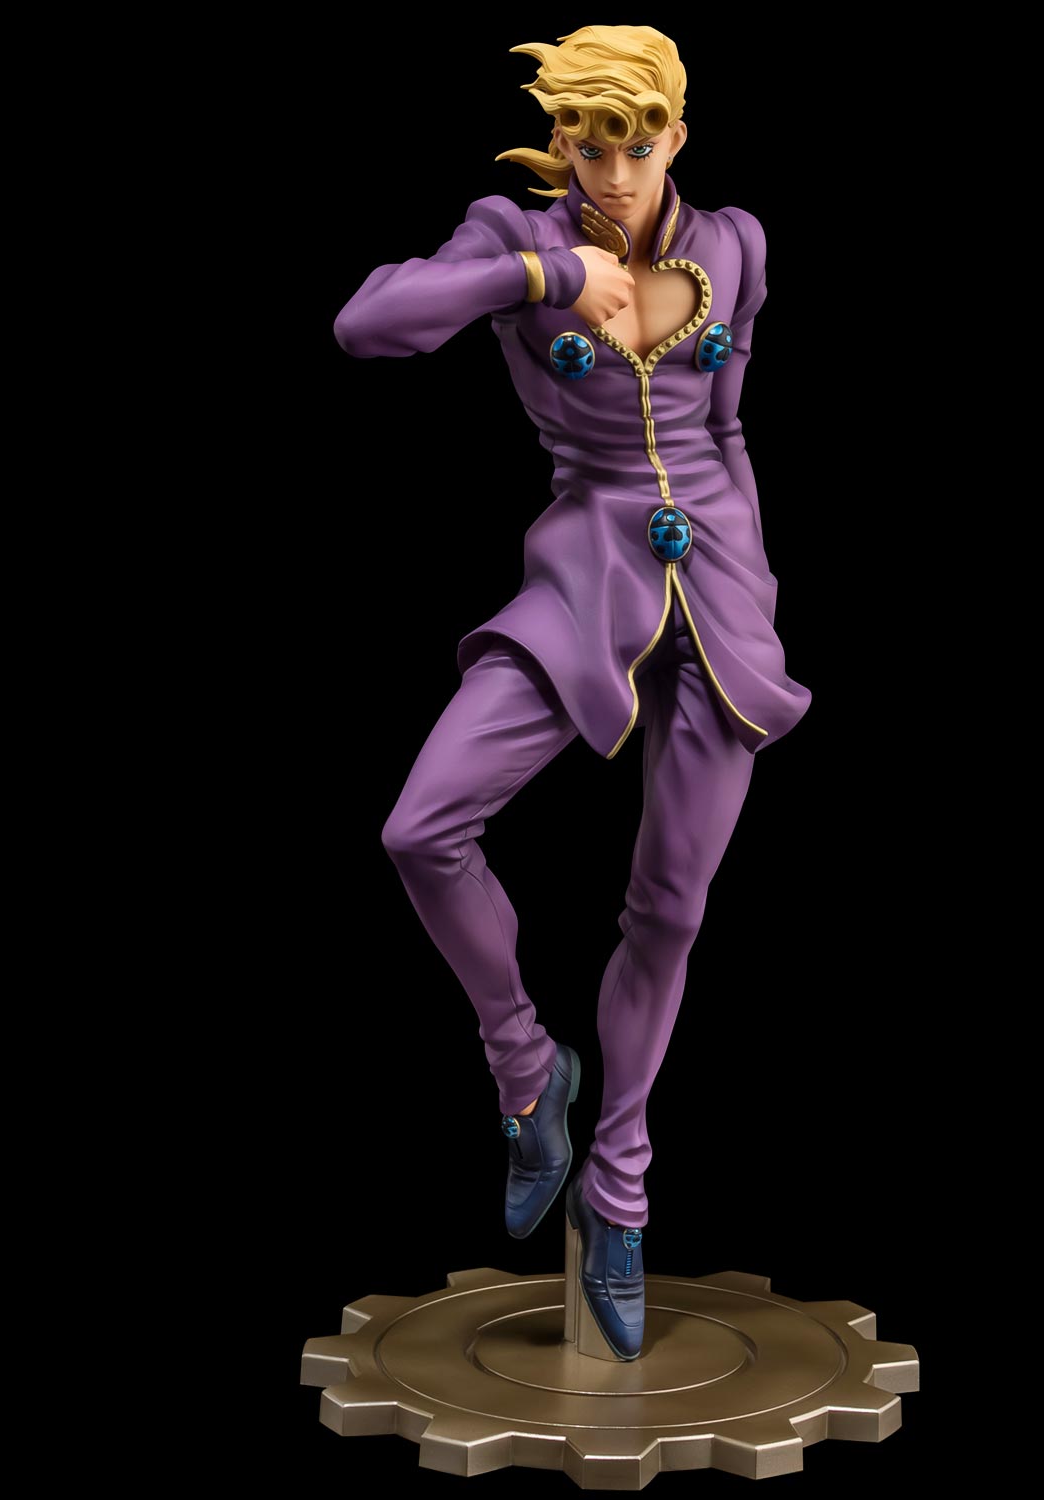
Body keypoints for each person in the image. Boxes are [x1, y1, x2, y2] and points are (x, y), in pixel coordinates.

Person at [334, 24, 811, 1361]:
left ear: (677, 136)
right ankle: (524, 1065)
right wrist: (540, 272)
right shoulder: (518, 236)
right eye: (589, 146)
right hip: (584, 573)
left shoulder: (736, 248)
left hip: (721, 593)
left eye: (637, 144)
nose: (613, 171)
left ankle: (618, 1190)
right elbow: (366, 324)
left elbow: (726, 427)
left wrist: (757, 583)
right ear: (561, 143)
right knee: (422, 827)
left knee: (670, 907)